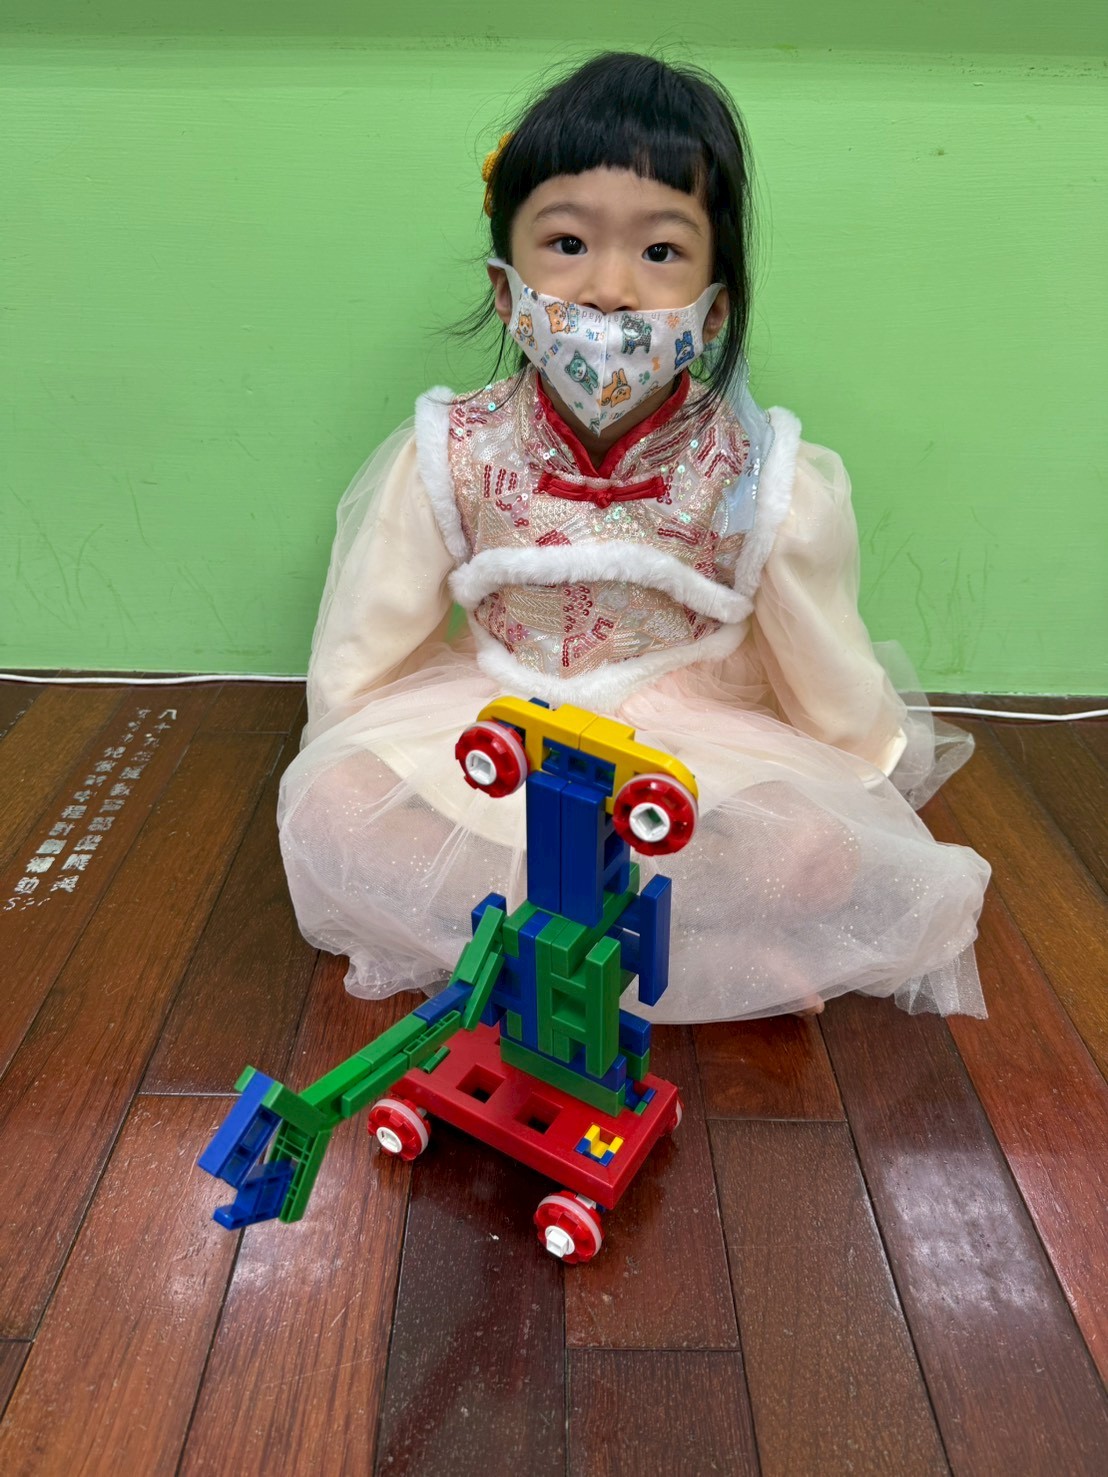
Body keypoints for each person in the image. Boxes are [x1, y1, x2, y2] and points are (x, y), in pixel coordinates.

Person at [277, 52, 990, 1023]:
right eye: (567, 242)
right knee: (332, 807)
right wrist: (354, 755)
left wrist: (862, 785)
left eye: (659, 252)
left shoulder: (760, 475)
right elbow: (365, 646)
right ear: (505, 290)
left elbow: (827, 670)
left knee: (813, 853)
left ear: (715, 306)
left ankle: (641, 944)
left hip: (685, 752)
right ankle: (690, 955)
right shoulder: (452, 451)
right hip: (498, 726)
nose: (609, 289)